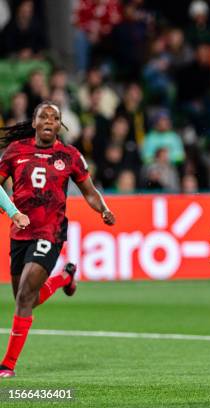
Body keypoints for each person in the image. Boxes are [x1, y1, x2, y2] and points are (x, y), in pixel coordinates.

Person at [0, 101, 116, 378]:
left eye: (55, 117)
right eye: (44, 116)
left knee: (25, 294)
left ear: (60, 124)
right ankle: (65, 277)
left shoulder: (70, 155)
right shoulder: (16, 151)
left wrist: (104, 209)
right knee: (25, 298)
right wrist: (12, 211)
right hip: (20, 232)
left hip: (50, 232)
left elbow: (89, 191)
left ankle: (7, 365)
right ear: (35, 122)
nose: (50, 121)